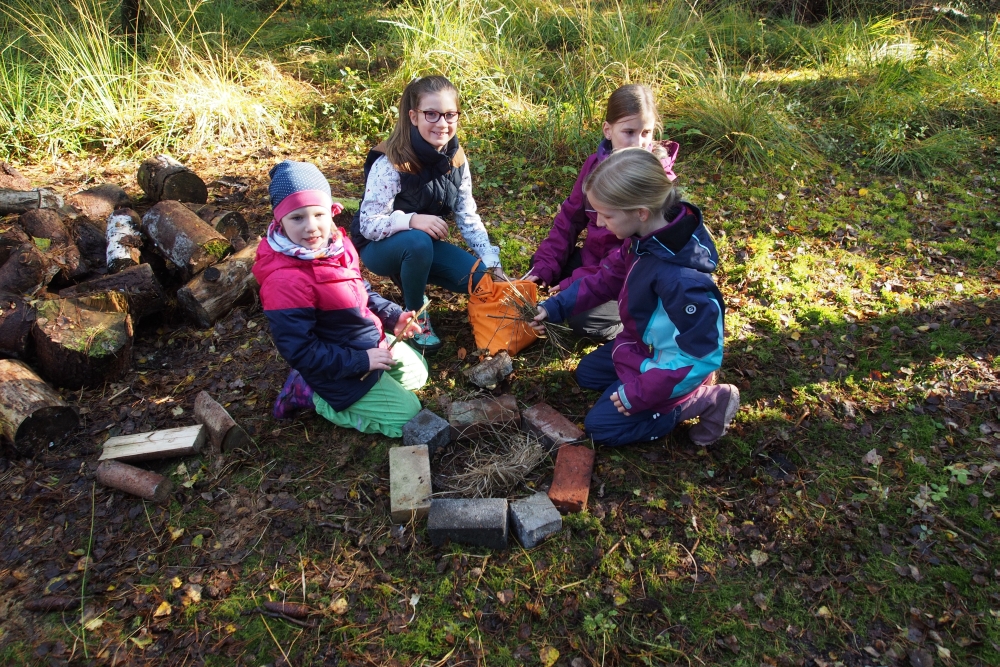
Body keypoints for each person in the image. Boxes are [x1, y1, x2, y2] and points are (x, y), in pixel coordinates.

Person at [531, 148, 739, 448]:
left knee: (600, 428)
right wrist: (556, 307)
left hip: (670, 364)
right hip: (642, 344)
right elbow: (606, 278)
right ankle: (643, 384)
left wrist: (639, 393)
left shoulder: (683, 281)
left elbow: (701, 354)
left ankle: (703, 399)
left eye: (607, 215)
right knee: (587, 375)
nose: (600, 224)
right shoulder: (641, 240)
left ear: (640, 211)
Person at [254, 160, 428, 438]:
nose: (311, 227)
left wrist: (393, 316)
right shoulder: (284, 281)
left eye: (318, 214)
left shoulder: (336, 245)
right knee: (407, 419)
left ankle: (370, 382)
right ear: (280, 221)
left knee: (418, 376)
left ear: (331, 212)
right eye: (297, 218)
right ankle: (313, 395)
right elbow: (300, 350)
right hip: (337, 368)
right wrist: (361, 361)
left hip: (365, 344)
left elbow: (360, 289)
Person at [351, 75, 507, 354]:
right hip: (380, 247)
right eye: (431, 114)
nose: (442, 124)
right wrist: (411, 220)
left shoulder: (456, 158)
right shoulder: (391, 160)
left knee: (480, 278)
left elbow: (466, 213)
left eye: (450, 115)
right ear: (413, 116)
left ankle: (413, 273)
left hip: (422, 246)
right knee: (417, 242)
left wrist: (491, 259)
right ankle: (414, 314)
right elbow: (368, 225)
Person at [524, 84, 679, 341]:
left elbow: (626, 259)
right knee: (540, 268)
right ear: (608, 130)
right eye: (629, 132)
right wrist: (547, 265)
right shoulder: (595, 166)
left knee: (580, 320)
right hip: (592, 261)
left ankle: (623, 321)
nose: (639, 142)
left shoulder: (652, 182)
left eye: (646, 133)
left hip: (625, 278)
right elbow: (570, 218)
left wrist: (575, 281)